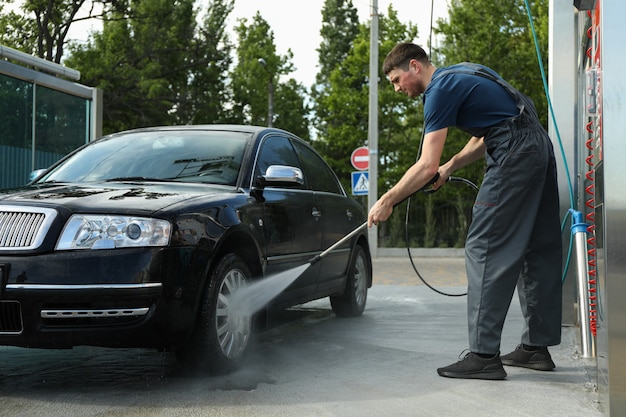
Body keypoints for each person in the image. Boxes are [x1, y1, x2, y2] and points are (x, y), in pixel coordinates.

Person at [368, 42, 562, 380]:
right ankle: (535, 348)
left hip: (514, 153)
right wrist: (452, 165)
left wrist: (388, 199)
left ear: (414, 66)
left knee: (484, 247)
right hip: (536, 146)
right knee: (536, 246)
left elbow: (425, 165)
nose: (398, 89)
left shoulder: (438, 90)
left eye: (397, 80)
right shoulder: (465, 72)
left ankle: (484, 355)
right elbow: (493, 128)